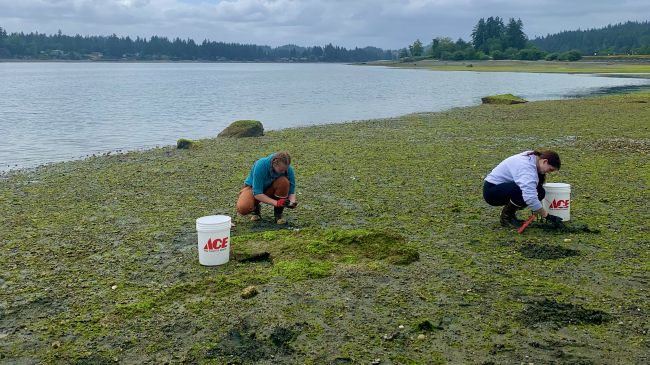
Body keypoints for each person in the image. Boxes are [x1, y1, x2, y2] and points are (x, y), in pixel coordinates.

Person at [483, 150, 564, 227]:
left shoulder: (534, 158)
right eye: (550, 169)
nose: (549, 172)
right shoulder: (527, 168)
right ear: (544, 161)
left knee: (540, 192)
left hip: (504, 187)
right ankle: (505, 218)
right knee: (524, 191)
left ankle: (511, 214)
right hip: (491, 191)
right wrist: (547, 216)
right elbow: (530, 197)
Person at [237, 151, 297, 224]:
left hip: (271, 188)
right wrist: (276, 203)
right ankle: (256, 208)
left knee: (284, 181)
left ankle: (278, 213)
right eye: (281, 170)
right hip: (253, 189)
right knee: (243, 208)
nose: (283, 172)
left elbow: (291, 190)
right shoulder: (261, 165)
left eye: (285, 170)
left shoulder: (288, 169)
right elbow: (257, 193)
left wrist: (292, 202)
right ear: (275, 164)